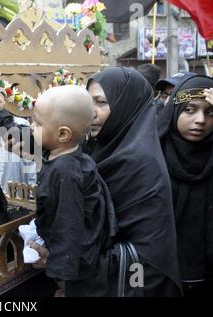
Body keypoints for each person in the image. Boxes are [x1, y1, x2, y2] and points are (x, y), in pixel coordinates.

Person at [0, 87, 117, 296]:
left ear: (62, 133)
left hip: (81, 269)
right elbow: (26, 140)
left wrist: (61, 276)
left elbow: (68, 226)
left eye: (38, 123)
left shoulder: (65, 172)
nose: (31, 127)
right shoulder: (67, 154)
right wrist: (2, 117)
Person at [84, 67, 182, 296]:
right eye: (88, 102)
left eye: (101, 102)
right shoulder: (99, 148)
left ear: (126, 106)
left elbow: (148, 252)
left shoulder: (141, 164)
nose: (92, 112)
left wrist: (76, 259)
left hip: (140, 280)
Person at [157, 76, 213, 296]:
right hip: (160, 277)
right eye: (189, 110)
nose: (200, 120)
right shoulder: (152, 157)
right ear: (175, 110)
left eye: (210, 112)